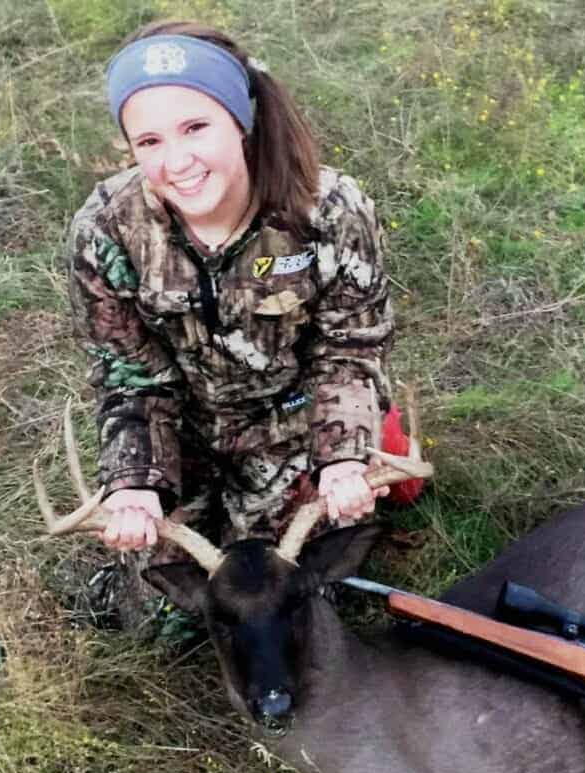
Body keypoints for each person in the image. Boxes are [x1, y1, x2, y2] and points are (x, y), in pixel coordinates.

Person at [68, 19, 394, 586]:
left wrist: (342, 453)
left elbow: (351, 349)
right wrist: (136, 481)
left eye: (195, 127)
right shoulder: (106, 229)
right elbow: (130, 378)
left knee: (286, 591)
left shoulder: (331, 212)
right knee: (169, 614)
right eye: (149, 141)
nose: (177, 163)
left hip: (290, 429)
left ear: (241, 120)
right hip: (180, 435)